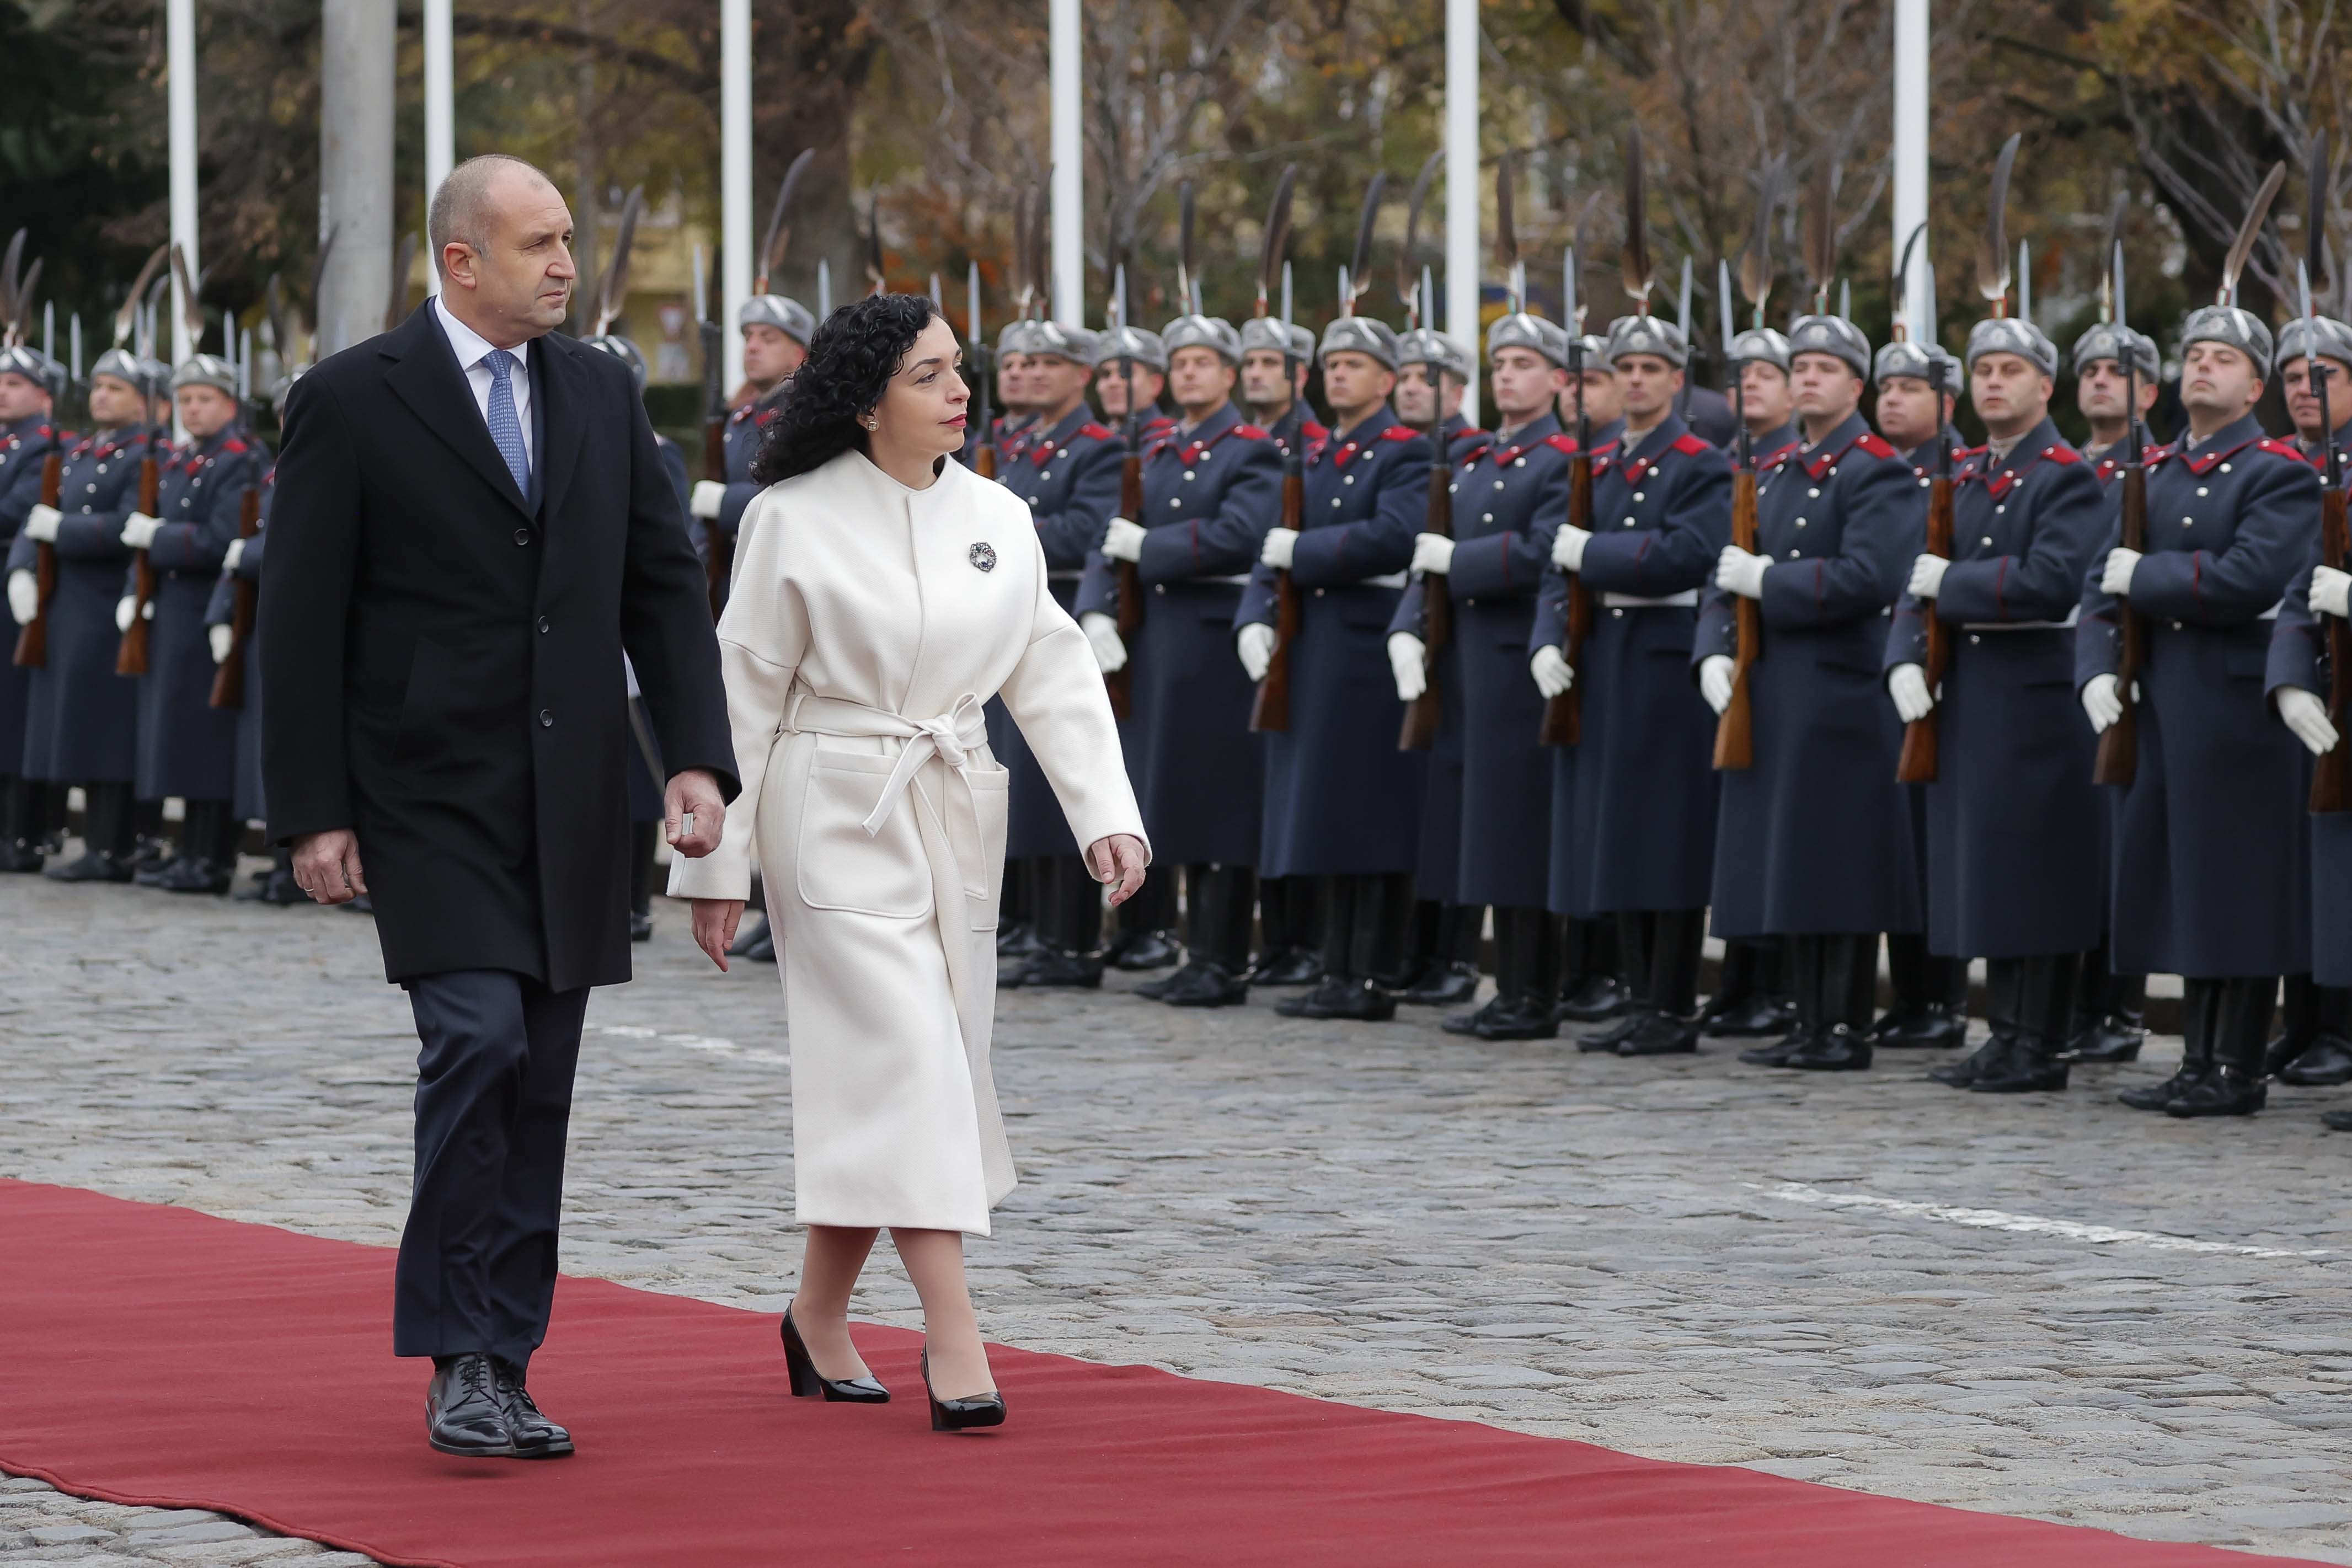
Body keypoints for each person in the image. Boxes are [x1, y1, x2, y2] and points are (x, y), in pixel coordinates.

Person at [259, 154, 736, 1459]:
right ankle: (454, 1350)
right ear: (460, 258)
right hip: (424, 793)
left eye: (568, 239)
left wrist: (693, 757)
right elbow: (296, 622)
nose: (567, 265)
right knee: (476, 1042)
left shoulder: (601, 387)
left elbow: (661, 585)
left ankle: (508, 1360)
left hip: (575, 790)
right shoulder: (355, 399)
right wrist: (312, 812)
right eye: (539, 244)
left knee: (541, 1084)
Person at [673, 292, 1148, 1431]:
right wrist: (712, 867)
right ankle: (956, 1331)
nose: (960, 391)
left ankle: (815, 1311)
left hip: (948, 805)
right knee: (914, 1058)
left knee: (908, 1069)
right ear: (866, 400)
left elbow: (1049, 661)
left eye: (958, 368)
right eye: (930, 374)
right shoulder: (788, 516)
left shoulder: (997, 510)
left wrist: (1103, 811)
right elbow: (741, 692)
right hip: (825, 807)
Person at [2080, 304, 2316, 1117]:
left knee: (2236, 885)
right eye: (2195, 354)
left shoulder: (2275, 469)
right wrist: (2094, 669)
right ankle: (2196, 1060)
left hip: (2234, 704)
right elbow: (2097, 584)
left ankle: (2238, 1065)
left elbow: (2249, 576)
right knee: (2180, 882)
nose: (2204, 367)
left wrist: (2142, 580)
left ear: (2257, 385)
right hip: (2161, 698)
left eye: (2224, 358)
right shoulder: (2157, 472)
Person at [1886, 317, 2107, 1093]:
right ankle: (2005, 1031)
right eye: (1983, 370)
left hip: (2035, 699)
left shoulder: (2064, 472)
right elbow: (1916, 577)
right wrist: (1903, 658)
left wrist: (1954, 590)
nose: (1993, 382)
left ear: (2045, 387)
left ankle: (2039, 1040)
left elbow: (2053, 577)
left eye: (2011, 369)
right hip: (1974, 695)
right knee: (1988, 874)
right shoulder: (1970, 472)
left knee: (2038, 875)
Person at [1697, 312, 1921, 1072]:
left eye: (1825, 368)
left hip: (1840, 692)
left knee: (1840, 864)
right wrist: (1714, 648)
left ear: (1856, 384)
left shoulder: (1874, 468)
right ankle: (1806, 1017)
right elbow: (1725, 573)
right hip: (1775, 689)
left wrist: (1772, 582)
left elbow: (1870, 575)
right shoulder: (1780, 468)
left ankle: (1843, 1024)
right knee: (1789, 861)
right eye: (1800, 367)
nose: (1808, 379)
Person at [1535, 312, 1730, 1056]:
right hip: (1607, 657)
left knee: (1664, 837)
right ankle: (1639, 994)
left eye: (1653, 368)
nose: (1639, 379)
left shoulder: (1698, 460)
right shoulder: (1605, 460)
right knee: (1618, 834)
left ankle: (1672, 1002)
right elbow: (1561, 559)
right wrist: (1550, 636)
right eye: (1628, 369)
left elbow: (1690, 551)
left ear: (1677, 381)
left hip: (1662, 656)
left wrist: (1600, 554)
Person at [1078, 311, 1280, 1007]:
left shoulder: (1248, 448)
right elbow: (1115, 535)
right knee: (1172, 796)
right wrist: (1098, 606)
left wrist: (1151, 551)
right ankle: (1193, 950)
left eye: (1204, 362)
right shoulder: (1163, 447)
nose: (1191, 372)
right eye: (1182, 361)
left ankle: (1221, 957)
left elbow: (1240, 533)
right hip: (1160, 639)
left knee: (1218, 799)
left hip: (1212, 637)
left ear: (1229, 374)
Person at [1238, 313, 1430, 1020]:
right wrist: (1254, 614)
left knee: (1369, 818)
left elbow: (1394, 536)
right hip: (1315, 645)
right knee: (1325, 816)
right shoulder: (1316, 454)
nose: (1339, 374)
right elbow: (1274, 543)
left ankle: (1372, 972)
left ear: (1386, 379)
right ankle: (1335, 964)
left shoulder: (1402, 451)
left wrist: (1305, 555)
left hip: (1365, 646)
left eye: (1356, 364)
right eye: (1333, 364)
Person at [1391, 307, 1567, 1038]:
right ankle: (1507, 987)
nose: (1508, 376)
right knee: (1481, 828)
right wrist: (1409, 626)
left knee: (1519, 829)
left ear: (1559, 379)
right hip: (1466, 662)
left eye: (1524, 365)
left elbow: (1547, 550)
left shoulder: (1560, 458)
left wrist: (1458, 564)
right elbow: (1430, 555)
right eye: (1501, 365)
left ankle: (1533, 991)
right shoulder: (1478, 459)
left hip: (1519, 659)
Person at [991, 319, 1124, 988]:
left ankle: (1072, 941)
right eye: (1023, 361)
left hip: (1060, 613)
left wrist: (994, 531)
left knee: (1056, 780)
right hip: (1009, 619)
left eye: (1049, 362)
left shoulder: (1097, 447)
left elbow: (1081, 532)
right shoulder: (1023, 444)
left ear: (1082, 375)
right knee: (1022, 786)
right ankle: (1041, 930)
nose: (1033, 372)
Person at [7, 348, 158, 881]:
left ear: (143, 400)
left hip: (105, 602)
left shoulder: (144, 453)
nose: (101, 396)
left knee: (104, 729)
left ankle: (110, 846)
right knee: (65, 726)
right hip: (65, 603)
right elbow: (39, 514)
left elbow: (129, 524)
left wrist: (63, 532)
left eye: (115, 388)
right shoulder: (81, 452)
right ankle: (59, 837)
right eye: (98, 387)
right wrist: (23, 565)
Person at [1867, 338, 1973, 1053]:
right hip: (1889, 663)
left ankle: (1943, 993)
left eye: (1910, 387)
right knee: (1895, 840)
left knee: (1934, 840)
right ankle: (1908, 991)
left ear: (1947, 402)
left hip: (1948, 670)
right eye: (1886, 387)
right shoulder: (1877, 471)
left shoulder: (1962, 472)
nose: (1893, 398)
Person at [1698, 325, 1802, 1039]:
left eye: (1767, 373)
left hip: (1798, 664)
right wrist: (1712, 648)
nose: (1751, 385)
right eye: (1741, 374)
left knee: (1784, 837)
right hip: (1742, 663)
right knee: (1742, 839)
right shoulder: (1735, 462)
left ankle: (1777, 986)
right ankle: (1740, 981)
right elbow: (1718, 570)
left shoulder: (1802, 463)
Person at [2065, 317, 2163, 1063]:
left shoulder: (2158, 468)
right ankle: (2075, 1001)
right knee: (2073, 844)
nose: (2101, 379)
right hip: (2071, 662)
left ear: (2148, 391)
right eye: (2091, 370)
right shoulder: (2067, 467)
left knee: (2118, 844)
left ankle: (2117, 1004)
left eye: (2117, 371)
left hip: (2135, 664)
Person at [122, 354, 257, 894]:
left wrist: (154, 538)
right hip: (176, 609)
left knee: (209, 739)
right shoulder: (186, 459)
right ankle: (191, 850)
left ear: (228, 404)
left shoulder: (238, 459)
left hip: (211, 608)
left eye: (204, 399)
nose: (193, 409)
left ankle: (212, 856)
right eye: (185, 400)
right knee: (180, 736)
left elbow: (221, 538)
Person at [1386, 321, 1486, 1005]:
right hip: (1417, 635)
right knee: (1426, 809)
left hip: (1469, 639)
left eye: (1428, 379)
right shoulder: (1402, 453)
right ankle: (1418, 949)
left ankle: (1454, 950)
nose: (1413, 390)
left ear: (1456, 388)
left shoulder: (1474, 454)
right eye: (1407, 378)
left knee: (1460, 808)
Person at [2266, 314, 2352, 1088]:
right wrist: (2289, 674)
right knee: (2308, 870)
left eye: (2321, 376)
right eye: (2293, 376)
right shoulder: (2289, 463)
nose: (2304, 388)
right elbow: (2298, 591)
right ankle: (2311, 1021)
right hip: (2319, 694)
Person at [587, 330, 693, 942]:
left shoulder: (655, 448)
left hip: (624, 625)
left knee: (635, 768)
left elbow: (666, 541)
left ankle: (634, 901)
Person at [1234, 312, 1328, 987]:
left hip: (1306, 626)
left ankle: (1304, 938)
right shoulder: (1244, 441)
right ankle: (1278, 938)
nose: (1258, 373)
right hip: (1257, 620)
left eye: (1272, 363)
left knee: (1302, 789)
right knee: (1265, 792)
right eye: (1252, 362)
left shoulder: (1316, 445)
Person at [1088, 320, 1182, 970]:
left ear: (1157, 380)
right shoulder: (1117, 445)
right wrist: (1096, 610)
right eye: (1107, 374)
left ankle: (1155, 924)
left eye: (1129, 374)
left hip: (1166, 625)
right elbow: (1107, 537)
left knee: (1159, 775)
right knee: (1127, 770)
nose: (1115, 385)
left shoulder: (1169, 444)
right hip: (1124, 624)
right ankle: (1128, 919)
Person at [1549, 329, 1635, 1025]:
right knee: (1585, 820)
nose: (1580, 395)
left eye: (1596, 381)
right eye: (1572, 383)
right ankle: (1581, 967)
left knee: (1623, 820)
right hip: (1575, 652)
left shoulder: (1608, 463)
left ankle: (1610, 970)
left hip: (1632, 653)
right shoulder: (1588, 463)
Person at [686, 292, 813, 580]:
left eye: (768, 339)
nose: (753, 347)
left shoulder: (807, 416)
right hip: (735, 573)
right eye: (748, 337)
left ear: (798, 353)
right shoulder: (741, 417)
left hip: (785, 571)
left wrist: (725, 502)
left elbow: (802, 496)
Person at [0, 344, 67, 870]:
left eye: (15, 383)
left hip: (16, 592)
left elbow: (15, 511)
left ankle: (22, 830)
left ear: (44, 395)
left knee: (15, 712)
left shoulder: (47, 446)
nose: (3, 391)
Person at [1241, 317, 1321, 453]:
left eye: (1270, 363)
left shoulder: (1313, 446)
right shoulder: (1239, 439)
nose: (1255, 374)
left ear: (1299, 377)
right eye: (1249, 363)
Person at [1394, 328, 1479, 443]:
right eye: (1403, 378)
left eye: (1426, 379)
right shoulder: (1385, 448)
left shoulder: (1477, 453)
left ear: (1457, 394)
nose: (1410, 389)